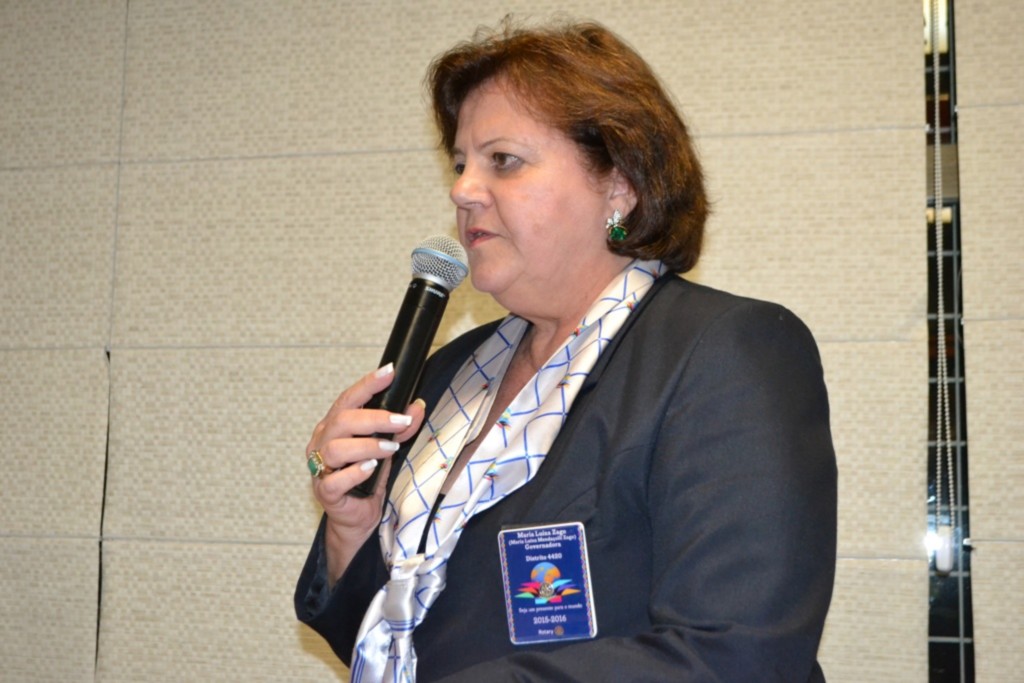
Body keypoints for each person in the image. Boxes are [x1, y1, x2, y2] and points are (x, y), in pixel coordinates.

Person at [295, 18, 836, 683]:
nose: (462, 190)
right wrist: (352, 527)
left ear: (620, 185)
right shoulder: (447, 376)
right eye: (461, 164)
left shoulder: (725, 353)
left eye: (503, 160)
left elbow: (738, 655)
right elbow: (395, 641)